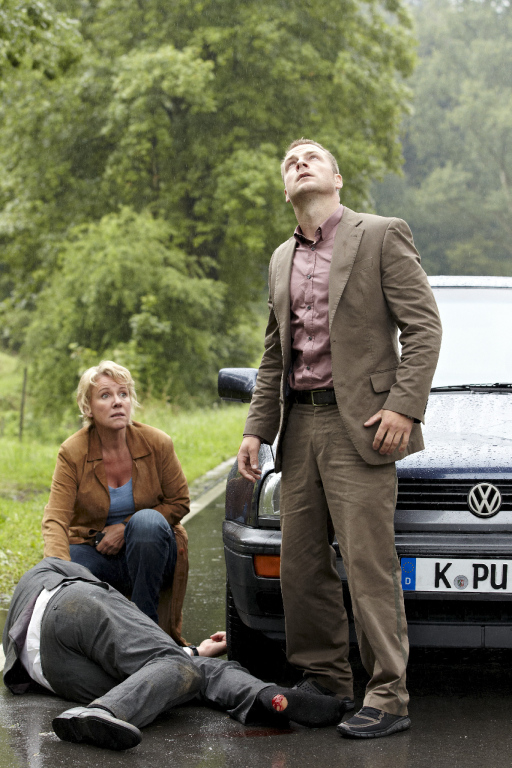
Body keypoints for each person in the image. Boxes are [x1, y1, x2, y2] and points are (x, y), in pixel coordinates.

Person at [237, 139, 442, 739]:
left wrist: (404, 406)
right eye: (289, 162)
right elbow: (274, 353)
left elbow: (423, 327)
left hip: (365, 429)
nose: (299, 164)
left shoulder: (380, 234)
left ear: (338, 178)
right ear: (285, 189)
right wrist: (256, 429)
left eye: (311, 158)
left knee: (368, 564)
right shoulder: (280, 259)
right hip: (298, 427)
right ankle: (325, 681)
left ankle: (389, 695)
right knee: (301, 567)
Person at [3, 558, 345, 750]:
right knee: (176, 664)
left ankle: (265, 696)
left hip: (45, 668)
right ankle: (108, 711)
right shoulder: (60, 571)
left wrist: (195, 650)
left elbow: (146, 658)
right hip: (69, 603)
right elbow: (136, 639)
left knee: (187, 673)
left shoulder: (18, 619)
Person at [42, 360, 189, 643]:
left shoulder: (157, 443)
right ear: (88, 407)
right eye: (105, 395)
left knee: (146, 523)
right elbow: (55, 519)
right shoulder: (72, 452)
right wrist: (59, 572)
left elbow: (179, 502)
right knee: (70, 562)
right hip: (97, 553)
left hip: (153, 550)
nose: (117, 402)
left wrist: (125, 527)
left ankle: (145, 631)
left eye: (123, 394)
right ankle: (95, 641)